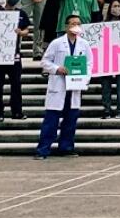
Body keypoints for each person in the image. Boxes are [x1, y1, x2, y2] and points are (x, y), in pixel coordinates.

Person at [35, 13, 88, 158]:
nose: (75, 26)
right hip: (58, 86)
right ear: (66, 26)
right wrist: (57, 69)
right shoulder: (57, 43)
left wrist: (85, 79)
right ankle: (43, 150)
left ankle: (66, 148)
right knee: (51, 121)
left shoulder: (84, 44)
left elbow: (89, 64)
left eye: (78, 23)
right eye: (72, 23)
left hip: (74, 87)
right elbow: (45, 62)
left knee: (70, 121)